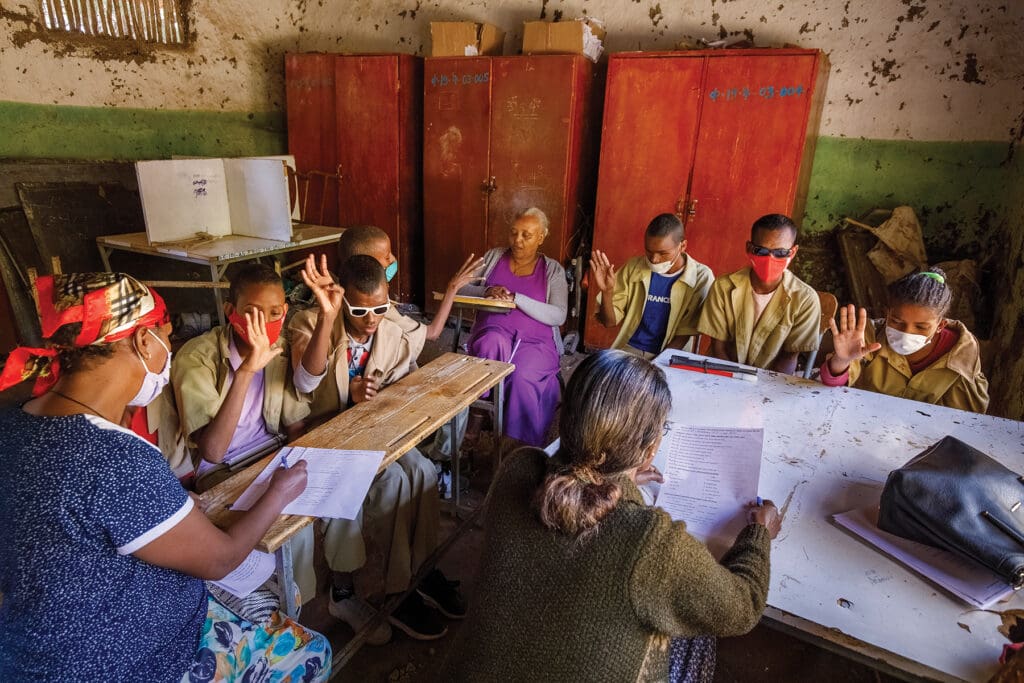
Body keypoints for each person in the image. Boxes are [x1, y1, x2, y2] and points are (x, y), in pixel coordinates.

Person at [0, 272, 330, 682]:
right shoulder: (117, 459)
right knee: (313, 651)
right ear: (143, 341)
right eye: (164, 335)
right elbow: (221, 558)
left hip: (34, 652)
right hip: (129, 661)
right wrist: (278, 493)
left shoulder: (12, 424)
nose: (168, 350)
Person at [442, 350, 782, 682]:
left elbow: (571, 496)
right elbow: (744, 606)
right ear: (650, 451)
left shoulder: (516, 471)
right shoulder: (649, 540)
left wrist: (620, 481)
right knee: (697, 633)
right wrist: (758, 534)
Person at [289, 255, 465, 643]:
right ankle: (388, 588)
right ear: (341, 296)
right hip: (330, 434)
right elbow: (304, 381)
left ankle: (418, 573)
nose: (371, 318)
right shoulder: (315, 323)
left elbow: (414, 352)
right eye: (359, 309)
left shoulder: (388, 325)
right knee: (395, 481)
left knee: (422, 472)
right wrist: (327, 317)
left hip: (375, 431)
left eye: (380, 307)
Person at [171, 263, 310, 492]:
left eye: (274, 313)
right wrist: (246, 372)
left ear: (284, 313)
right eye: (251, 313)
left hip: (273, 452)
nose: (263, 324)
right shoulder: (197, 357)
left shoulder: (280, 348)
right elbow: (213, 452)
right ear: (229, 311)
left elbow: (295, 425)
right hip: (222, 469)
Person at [459, 207, 568, 446]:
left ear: (541, 236)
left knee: (522, 377)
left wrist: (517, 298)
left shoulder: (553, 270)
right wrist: (486, 291)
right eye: (514, 233)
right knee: (491, 343)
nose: (517, 241)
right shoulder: (493, 257)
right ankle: (476, 417)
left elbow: (558, 315)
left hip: (536, 344)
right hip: (492, 332)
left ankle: (512, 450)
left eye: (526, 235)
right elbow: (460, 288)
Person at [820, 267, 990, 413]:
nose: (906, 333)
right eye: (897, 321)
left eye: (921, 327)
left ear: (941, 325)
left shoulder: (961, 361)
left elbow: (965, 423)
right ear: (887, 313)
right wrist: (842, 360)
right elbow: (831, 385)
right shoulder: (867, 337)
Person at [335, 225, 482, 359]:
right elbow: (433, 332)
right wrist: (452, 288)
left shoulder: (337, 293)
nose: (393, 260)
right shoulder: (379, 310)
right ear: (368, 264)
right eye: (387, 257)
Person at [698, 213, 821, 374]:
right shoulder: (723, 287)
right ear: (749, 248)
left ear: (793, 252)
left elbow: (789, 358)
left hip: (771, 382)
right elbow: (718, 348)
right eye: (762, 251)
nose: (770, 259)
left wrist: (761, 390)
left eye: (780, 253)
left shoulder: (805, 299)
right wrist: (735, 382)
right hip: (723, 374)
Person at [591, 213, 714, 358]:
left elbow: (683, 336)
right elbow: (609, 322)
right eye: (649, 252)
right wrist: (607, 292)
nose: (654, 260)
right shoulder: (634, 267)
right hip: (630, 350)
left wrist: (657, 364)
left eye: (663, 253)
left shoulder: (701, 277)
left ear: (682, 246)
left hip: (670, 355)